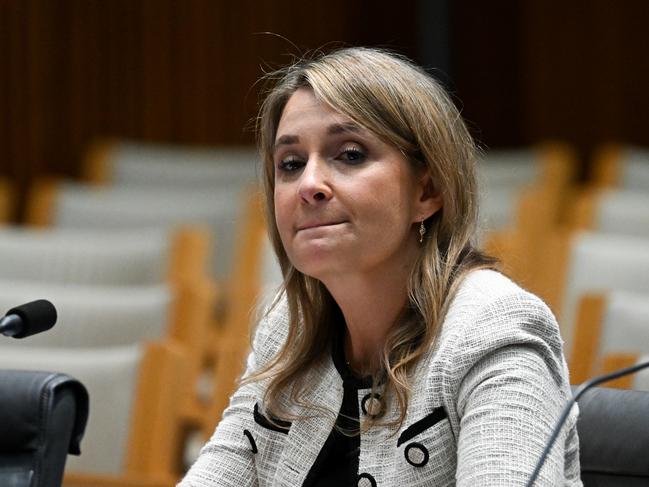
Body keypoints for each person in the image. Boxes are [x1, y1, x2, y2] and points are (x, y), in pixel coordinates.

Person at [179, 47, 581, 486]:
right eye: (290, 164)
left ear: (427, 191)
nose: (309, 184)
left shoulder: (491, 330)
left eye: (350, 155)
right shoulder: (287, 330)